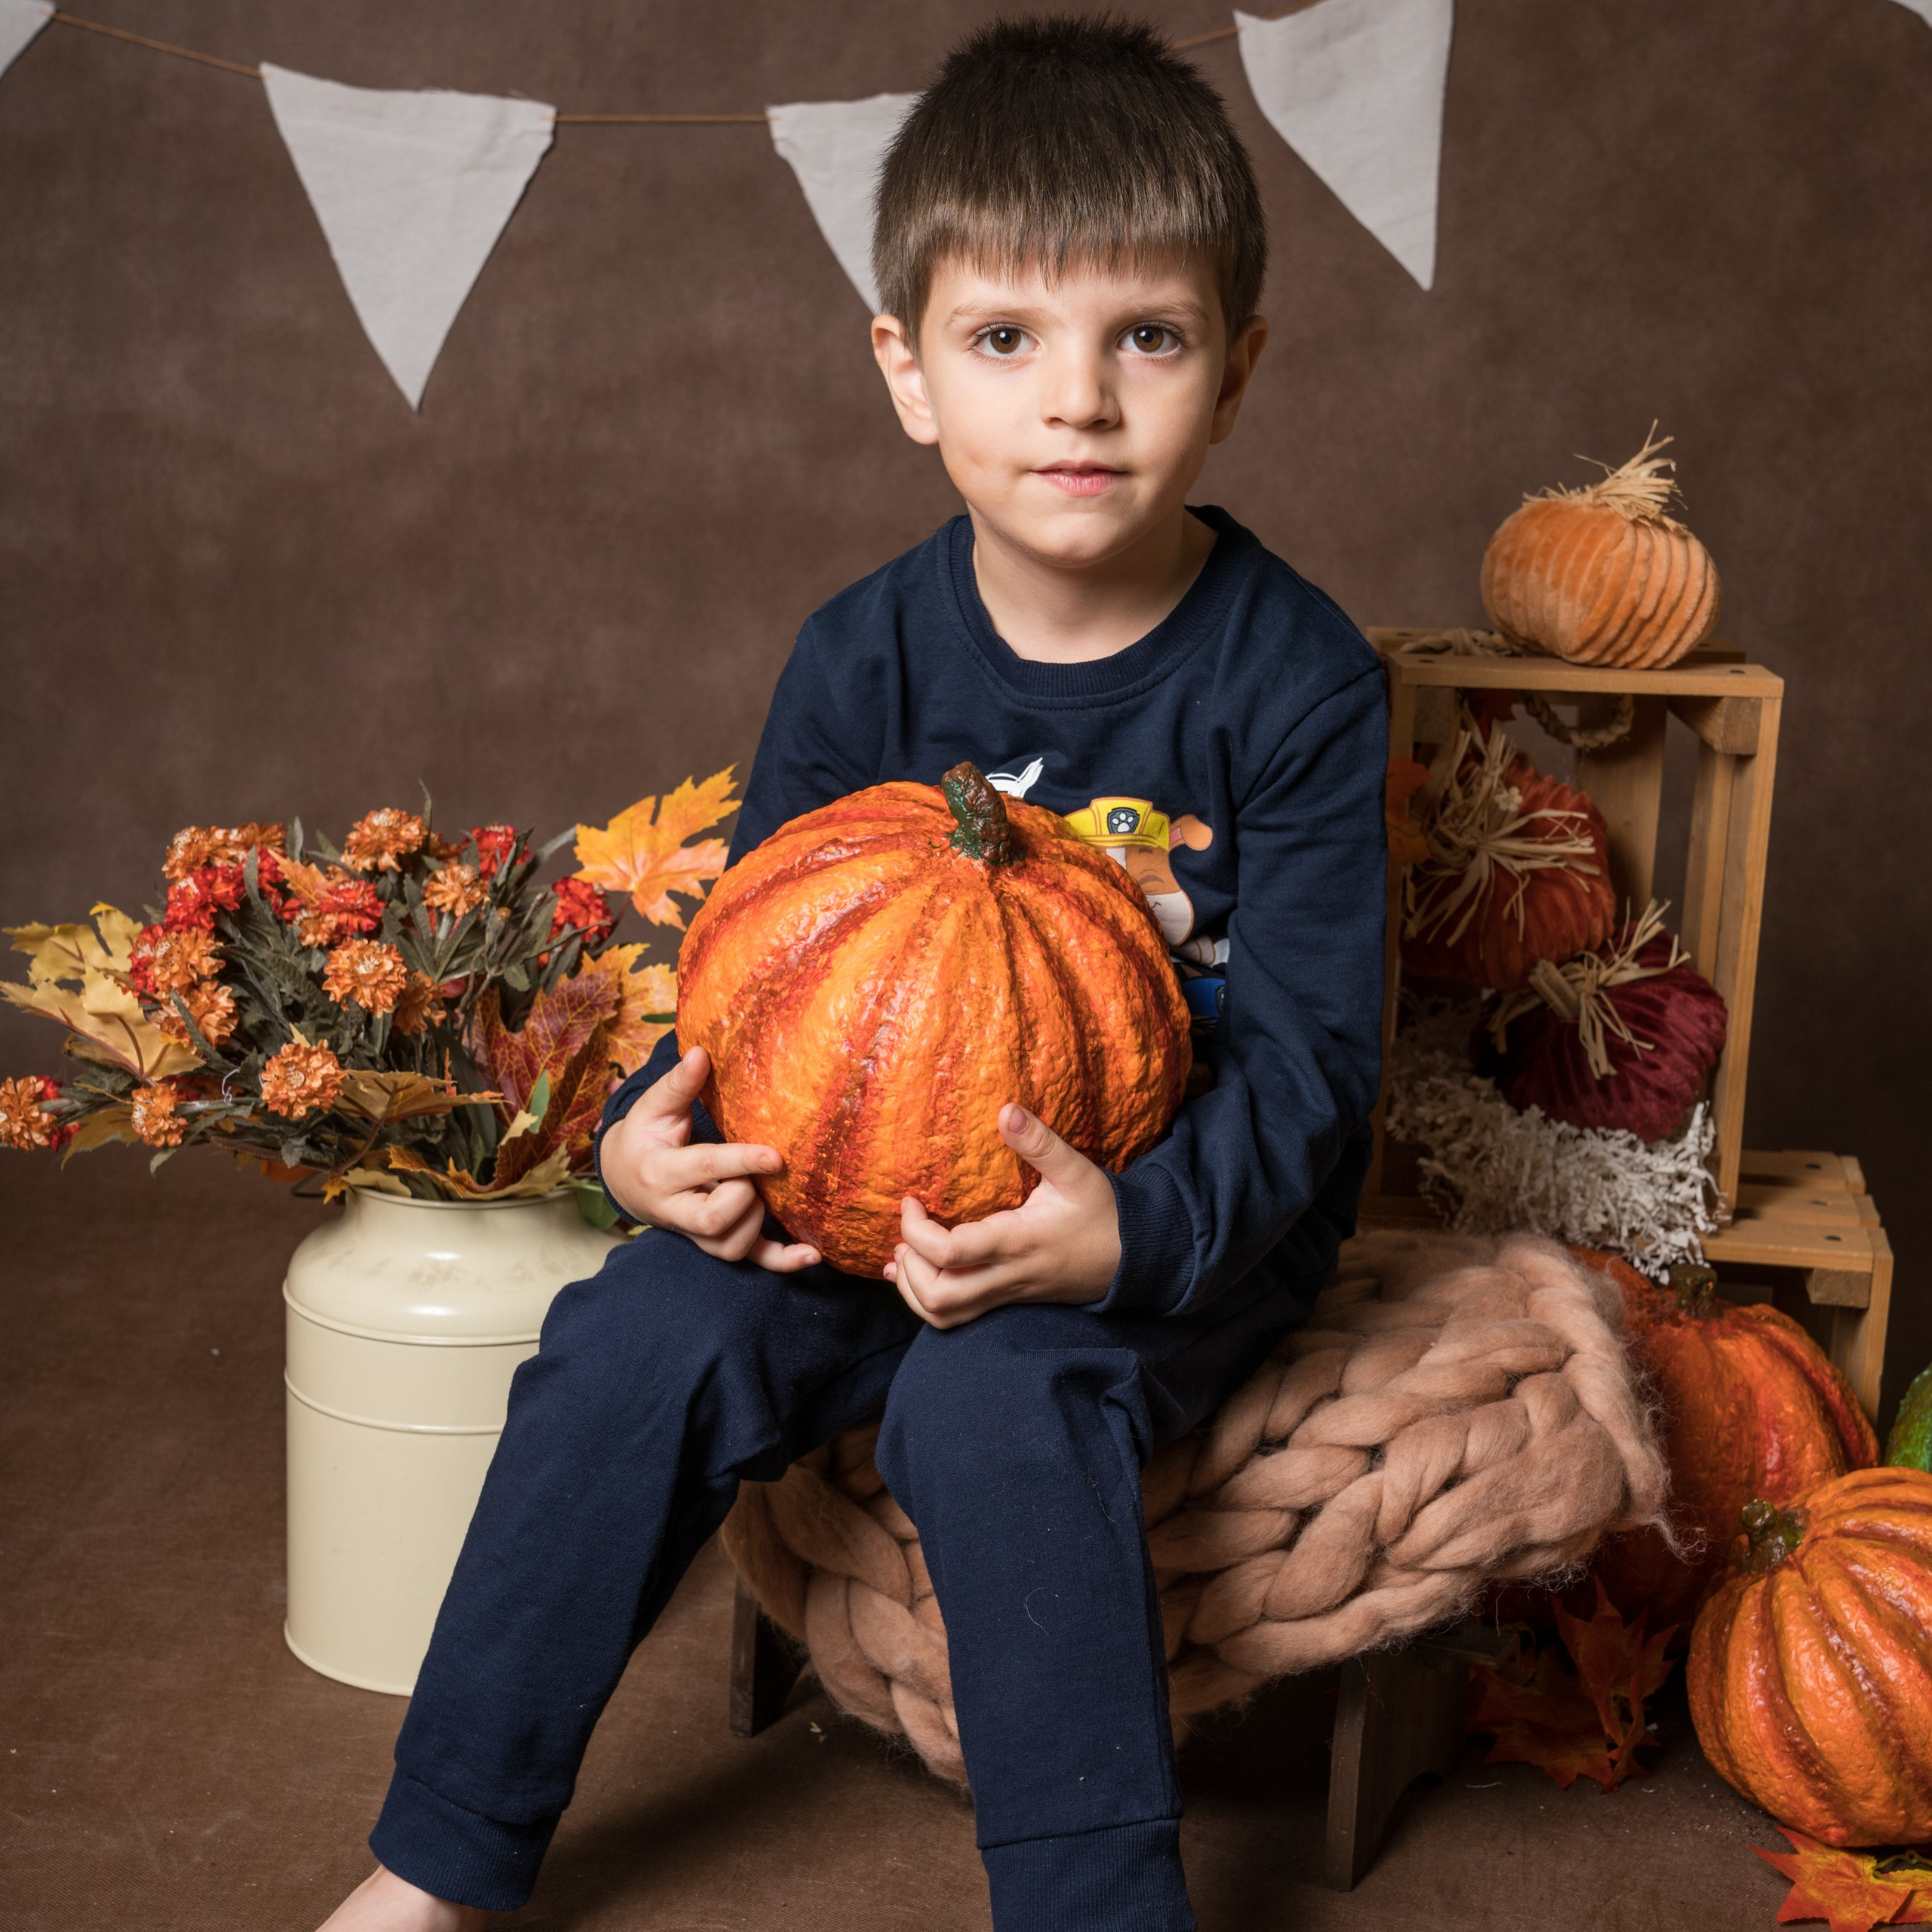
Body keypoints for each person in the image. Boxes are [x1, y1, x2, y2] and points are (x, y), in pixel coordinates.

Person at [320, 15, 1386, 1930]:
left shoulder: (1292, 680)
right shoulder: (862, 660)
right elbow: (755, 974)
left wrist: (1117, 1241)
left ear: (1233, 370)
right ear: (906, 371)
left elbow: (1309, 1071)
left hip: (1155, 1230)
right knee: (631, 1334)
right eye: (1004, 341)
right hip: (847, 1194)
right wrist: (667, 1148)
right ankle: (438, 1860)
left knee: (987, 1404)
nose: (1076, 400)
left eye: (1142, 337)